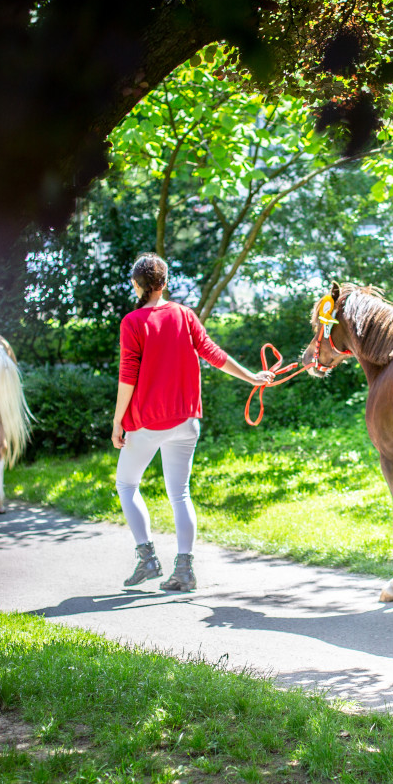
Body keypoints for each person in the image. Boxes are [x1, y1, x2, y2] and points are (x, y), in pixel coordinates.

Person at [112, 253, 273, 592]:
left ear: (137, 285)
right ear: (165, 283)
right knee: (180, 494)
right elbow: (214, 354)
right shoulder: (184, 315)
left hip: (147, 422)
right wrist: (252, 378)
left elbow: (128, 376)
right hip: (186, 421)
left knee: (126, 485)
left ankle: (147, 558)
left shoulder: (133, 322)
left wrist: (117, 422)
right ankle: (184, 570)